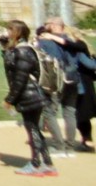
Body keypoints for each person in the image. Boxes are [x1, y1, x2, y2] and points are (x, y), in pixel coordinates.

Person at [1, 20, 58, 177]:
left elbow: (19, 79)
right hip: (35, 94)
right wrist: (5, 49)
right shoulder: (24, 49)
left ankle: (35, 164)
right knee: (35, 130)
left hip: (30, 95)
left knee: (32, 129)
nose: (7, 32)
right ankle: (47, 164)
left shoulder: (23, 51)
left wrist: (9, 100)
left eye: (9, 29)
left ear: (17, 33)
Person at [37, 17, 83, 156]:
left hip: (56, 81)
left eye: (46, 24)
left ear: (54, 26)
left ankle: (59, 146)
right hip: (73, 79)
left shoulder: (45, 42)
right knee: (69, 112)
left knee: (49, 112)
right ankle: (70, 147)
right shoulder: (72, 41)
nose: (44, 26)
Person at [64, 26, 96, 152]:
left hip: (82, 83)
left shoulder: (78, 49)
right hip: (84, 82)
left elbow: (90, 64)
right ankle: (86, 140)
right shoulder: (80, 47)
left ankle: (87, 140)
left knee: (81, 113)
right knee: (82, 113)